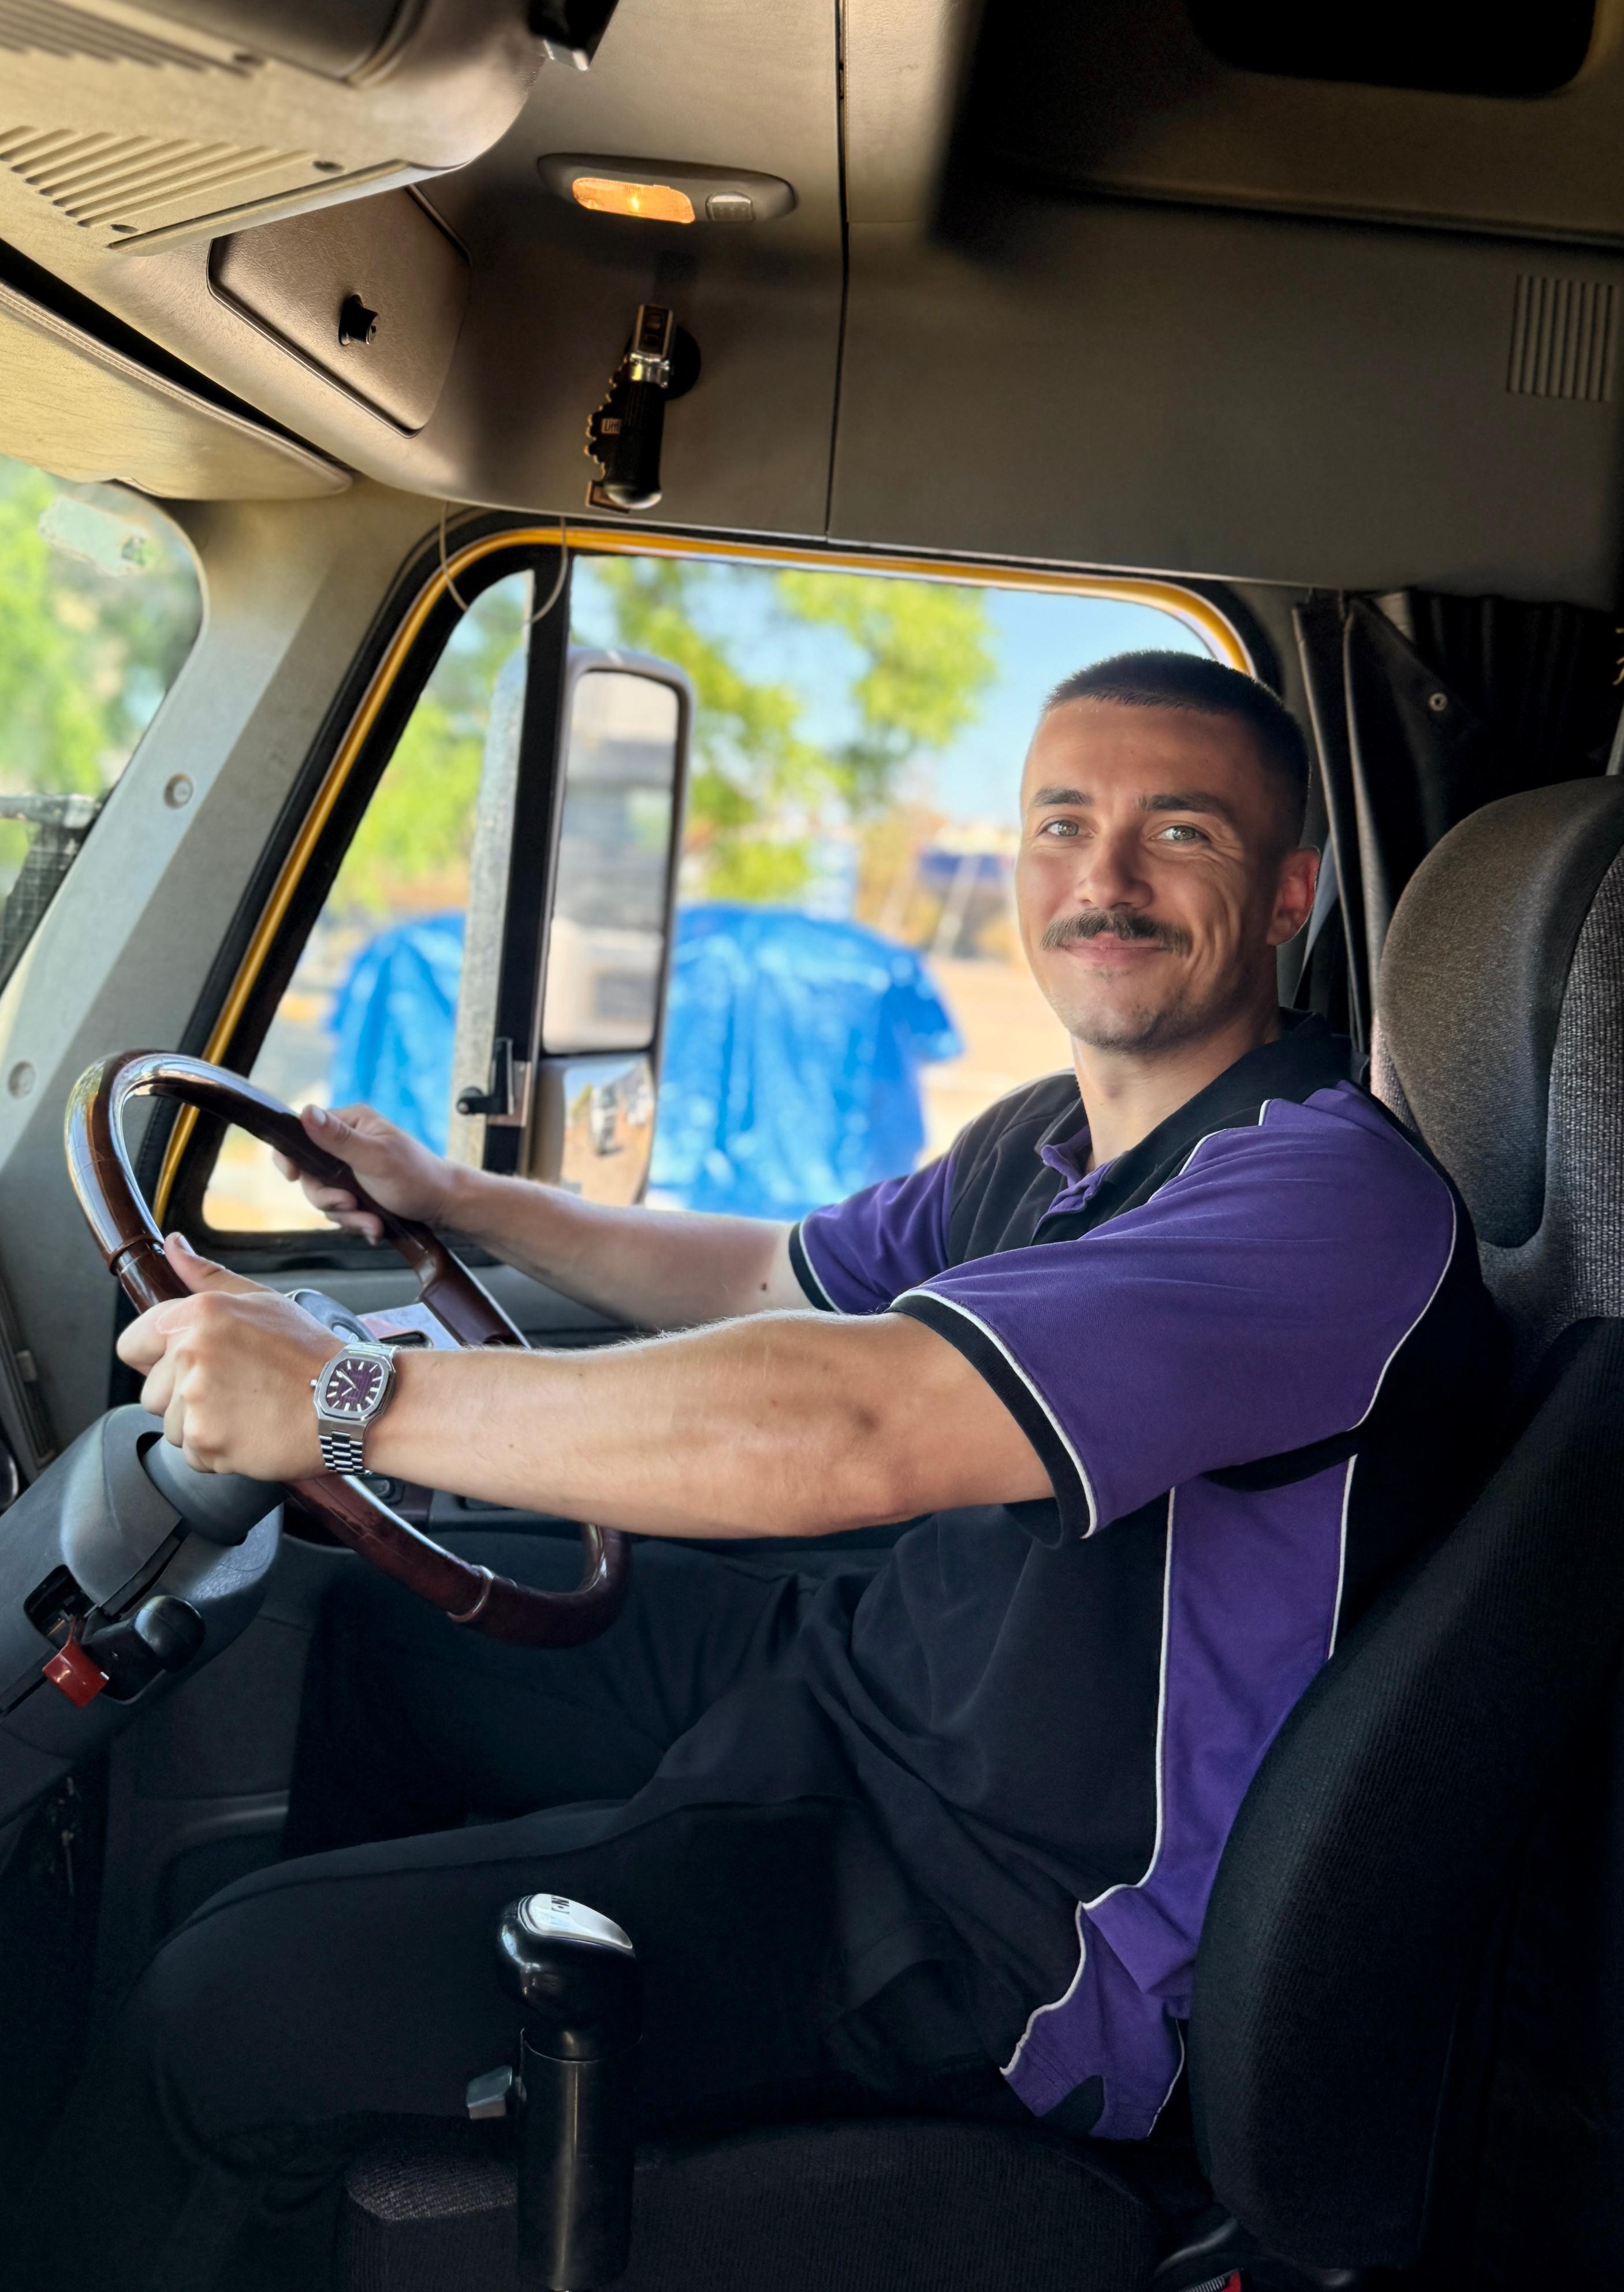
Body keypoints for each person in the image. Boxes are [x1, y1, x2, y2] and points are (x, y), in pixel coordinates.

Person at [27, 653, 1503, 2291]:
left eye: (1181, 834)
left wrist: (352, 1396)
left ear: (1291, 889)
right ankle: (412, 2128)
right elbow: (765, 1281)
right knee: (348, 1640)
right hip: (861, 1695)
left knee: (218, 2009)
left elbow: (848, 1423)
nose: (1103, 878)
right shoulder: (1044, 1139)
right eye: (1061, 824)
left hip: (990, 1918)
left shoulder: (1319, 1202)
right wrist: (458, 1198)